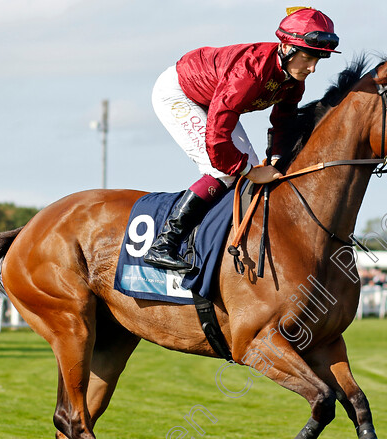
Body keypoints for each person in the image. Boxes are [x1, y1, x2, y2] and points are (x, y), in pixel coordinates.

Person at [143, 6, 340, 271]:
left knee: (254, 165)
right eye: (308, 57)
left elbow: (283, 121)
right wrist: (246, 170)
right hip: (180, 93)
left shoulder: (294, 80)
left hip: (214, 99)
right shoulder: (249, 74)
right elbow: (217, 139)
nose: (313, 68)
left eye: (319, 59)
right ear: (287, 48)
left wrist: (278, 159)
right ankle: (164, 245)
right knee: (222, 169)